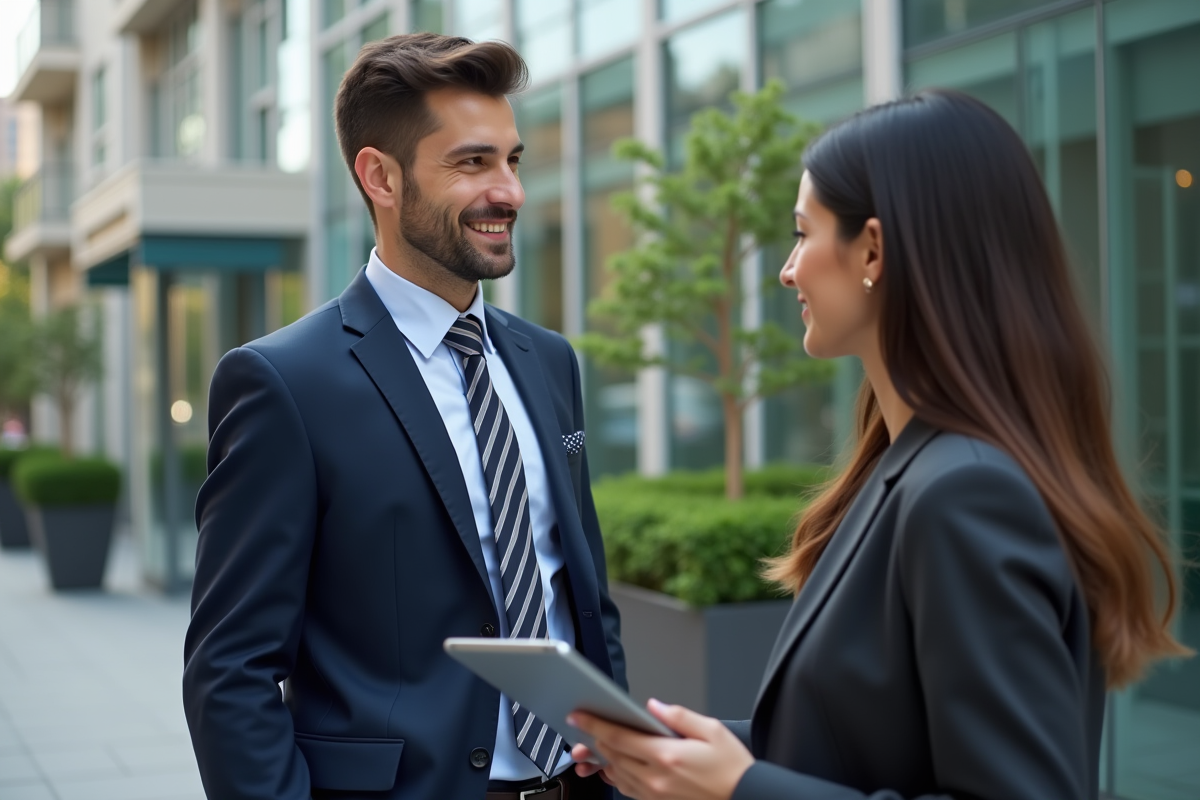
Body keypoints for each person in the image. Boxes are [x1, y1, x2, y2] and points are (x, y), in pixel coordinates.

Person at [566, 89, 1190, 800]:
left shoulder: (965, 493)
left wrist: (742, 790)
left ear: (872, 248)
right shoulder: (905, 468)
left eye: (803, 233)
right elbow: (863, 741)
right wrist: (694, 755)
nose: (787, 269)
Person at [183, 34, 624, 800]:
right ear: (379, 177)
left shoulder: (549, 361)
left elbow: (582, 597)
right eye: (472, 162)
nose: (510, 192)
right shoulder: (284, 383)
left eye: (513, 160)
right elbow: (231, 670)